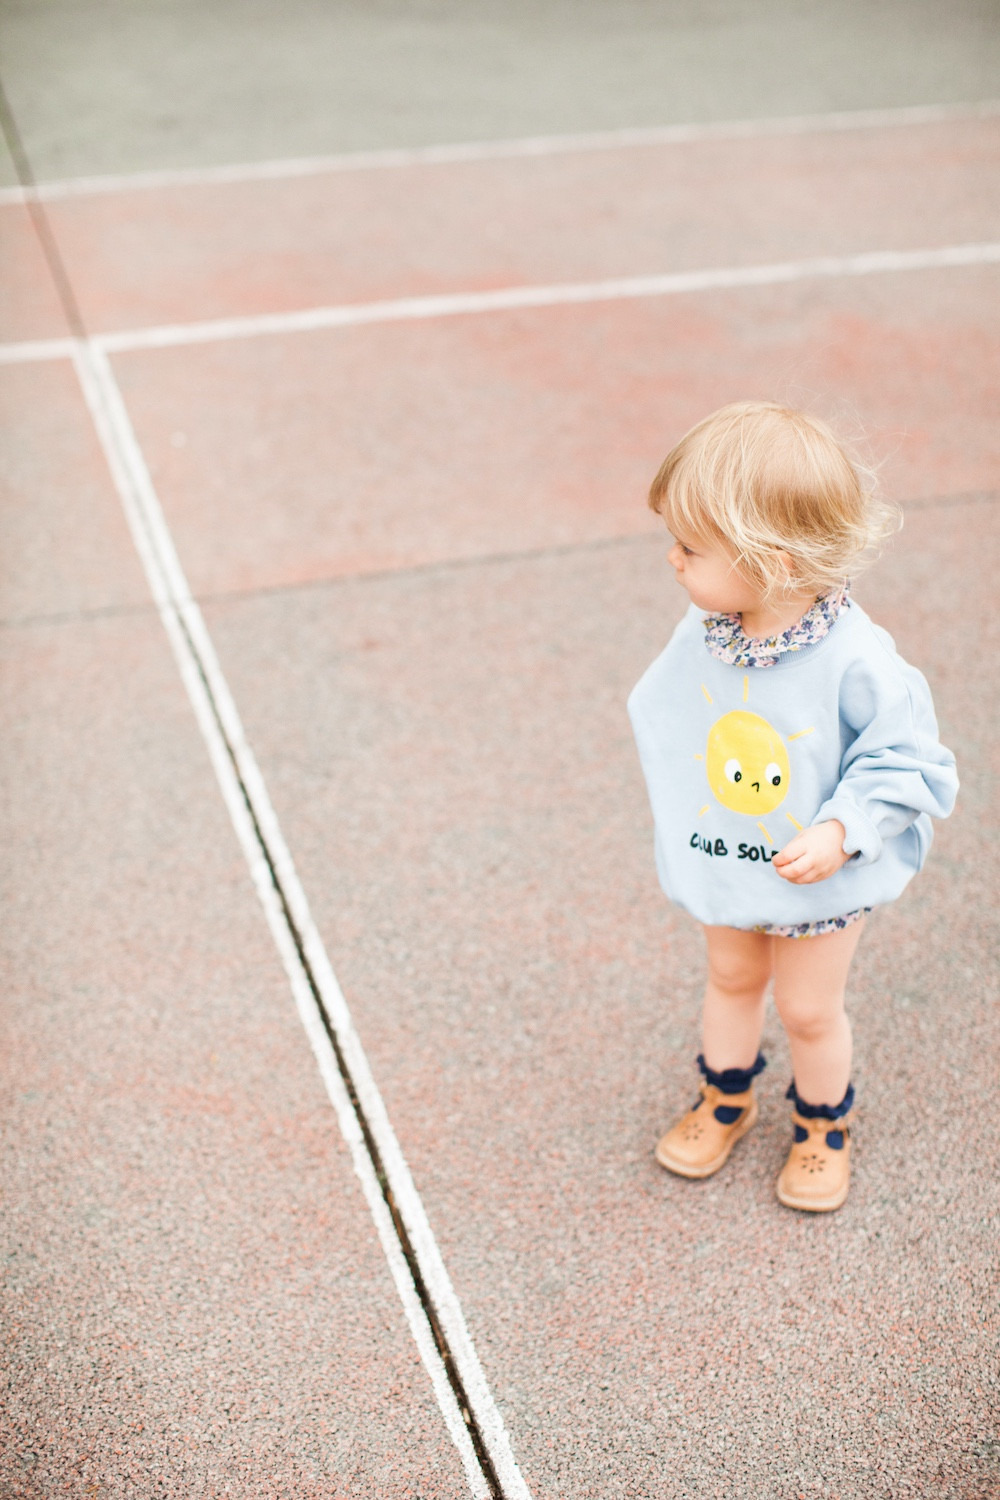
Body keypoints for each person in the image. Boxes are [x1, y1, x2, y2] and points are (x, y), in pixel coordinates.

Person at [627, 402, 957, 1212]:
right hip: (730, 855)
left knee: (809, 1009)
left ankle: (821, 1125)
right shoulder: (709, 631)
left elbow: (905, 760)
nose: (672, 559)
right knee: (730, 974)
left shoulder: (855, 659)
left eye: (690, 547)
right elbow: (671, 711)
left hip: (816, 878)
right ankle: (725, 1097)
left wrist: (843, 830)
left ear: (770, 564)